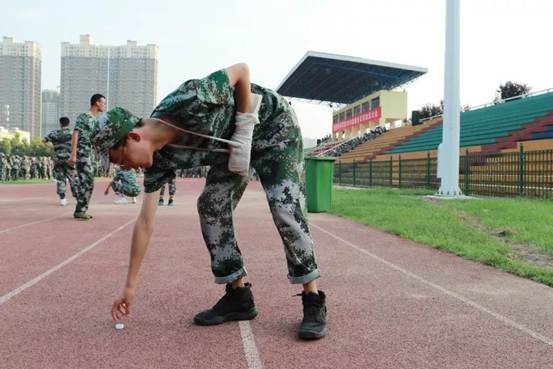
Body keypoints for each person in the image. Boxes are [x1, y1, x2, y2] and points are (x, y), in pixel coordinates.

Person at [95, 63, 327, 339]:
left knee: (284, 207)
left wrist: (244, 132)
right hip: (230, 149)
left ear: (133, 137)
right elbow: (145, 222)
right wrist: (129, 287)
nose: (126, 168)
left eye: (122, 160)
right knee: (211, 205)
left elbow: (241, 71)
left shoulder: (189, 100)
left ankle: (313, 299)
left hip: (271, 127)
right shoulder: (158, 162)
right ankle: (238, 295)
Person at [69, 94, 106, 220]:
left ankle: (81, 208)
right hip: (81, 153)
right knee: (88, 180)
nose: (104, 106)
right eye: (103, 103)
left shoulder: (96, 121)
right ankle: (80, 210)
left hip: (89, 154)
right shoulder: (84, 117)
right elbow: (75, 134)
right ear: (97, 103)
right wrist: (73, 154)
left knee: (87, 181)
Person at [43, 117, 77, 206]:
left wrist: (52, 147)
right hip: (69, 159)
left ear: (60, 124)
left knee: (60, 179)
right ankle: (77, 197)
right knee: (73, 178)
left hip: (58, 159)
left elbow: (44, 140)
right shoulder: (72, 133)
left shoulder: (54, 133)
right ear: (68, 124)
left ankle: (63, 199)